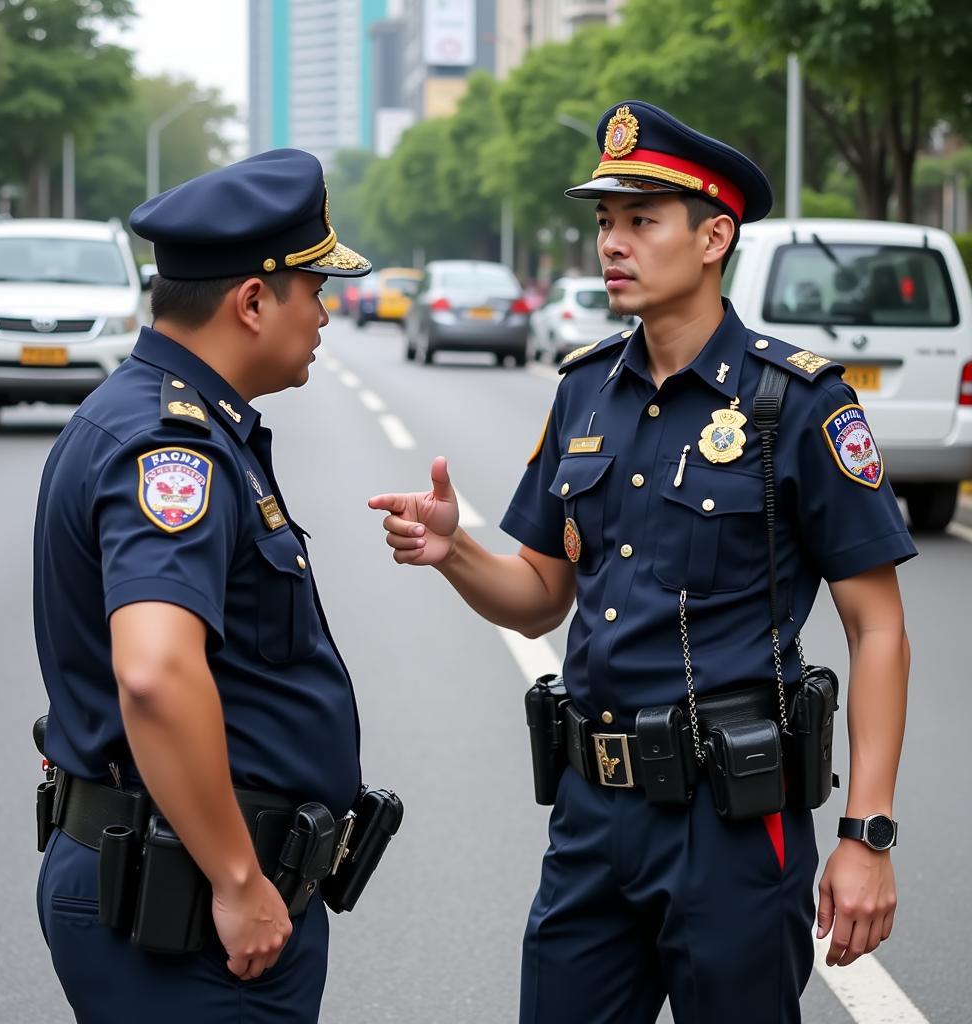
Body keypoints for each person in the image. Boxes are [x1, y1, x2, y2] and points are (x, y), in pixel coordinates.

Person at [369, 100, 916, 1023]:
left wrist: (867, 833)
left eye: (640, 221)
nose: (612, 244)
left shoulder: (799, 404)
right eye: (604, 223)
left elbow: (880, 627)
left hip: (733, 823)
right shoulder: (586, 390)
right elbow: (543, 596)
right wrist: (453, 549)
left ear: (713, 237)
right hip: (589, 821)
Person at [34, 148, 373, 1023]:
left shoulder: (147, 413)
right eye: (315, 288)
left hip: (173, 890)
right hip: (185, 916)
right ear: (253, 301)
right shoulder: (172, 449)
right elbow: (153, 672)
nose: (327, 313)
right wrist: (236, 878)